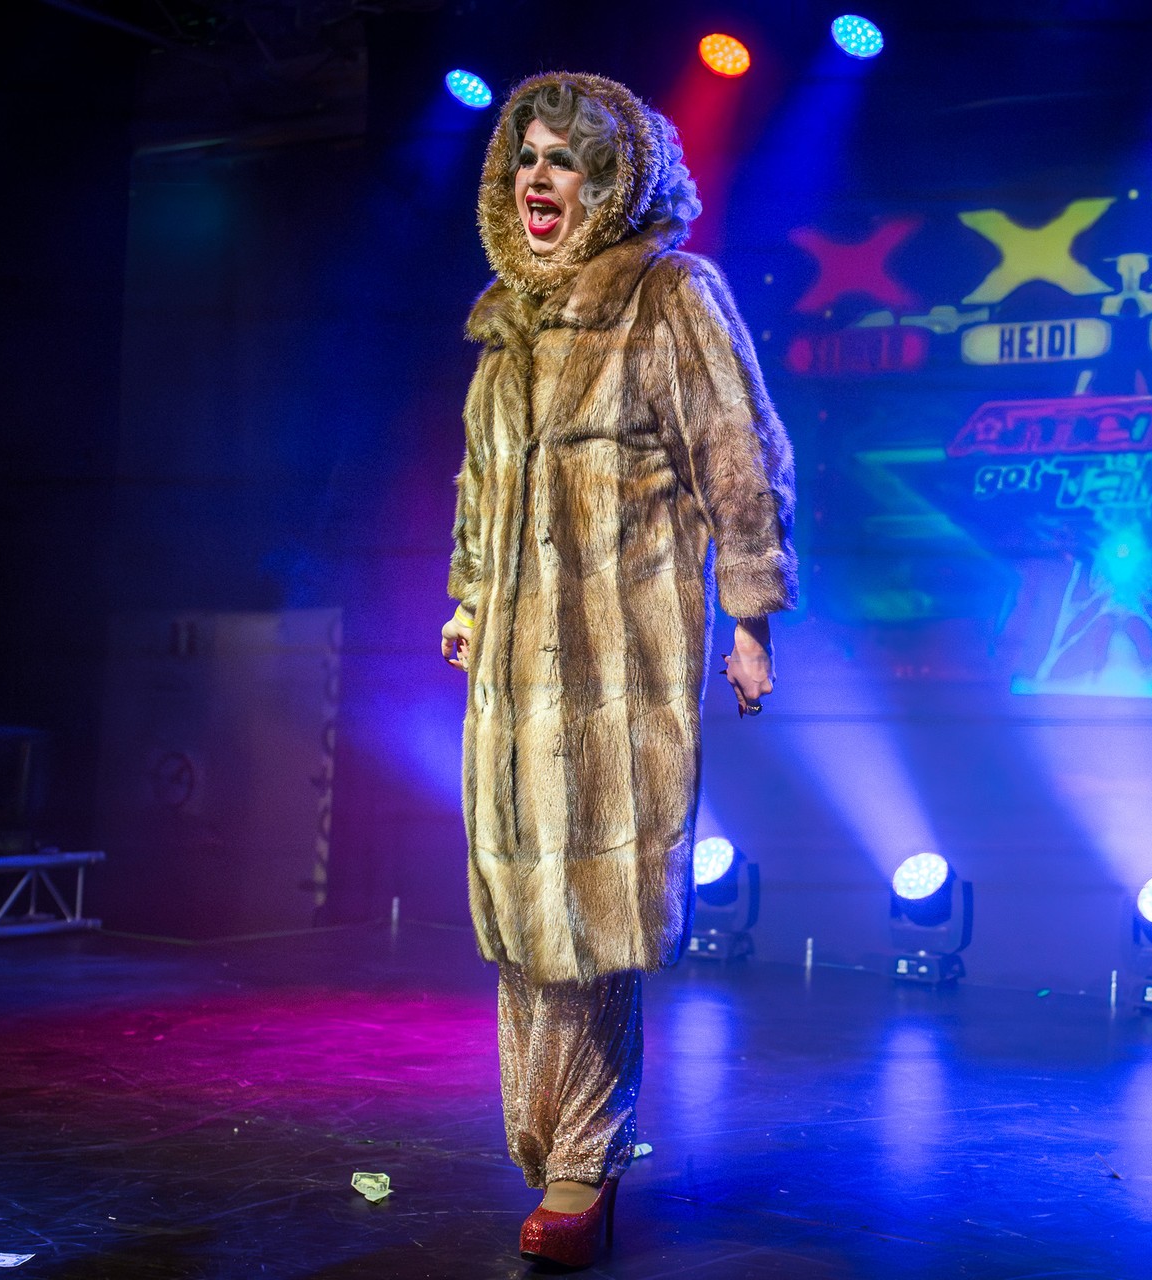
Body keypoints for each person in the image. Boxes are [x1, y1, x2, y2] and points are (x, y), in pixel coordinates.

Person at [437, 69, 796, 1267]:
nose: (538, 177)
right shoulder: (506, 320)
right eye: (525, 158)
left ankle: (583, 1164)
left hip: (616, 665)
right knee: (523, 918)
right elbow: (481, 478)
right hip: (510, 671)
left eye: (564, 159)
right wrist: (470, 596)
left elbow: (738, 454)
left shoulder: (668, 292)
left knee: (589, 919)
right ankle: (546, 1146)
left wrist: (751, 615)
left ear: (610, 181)